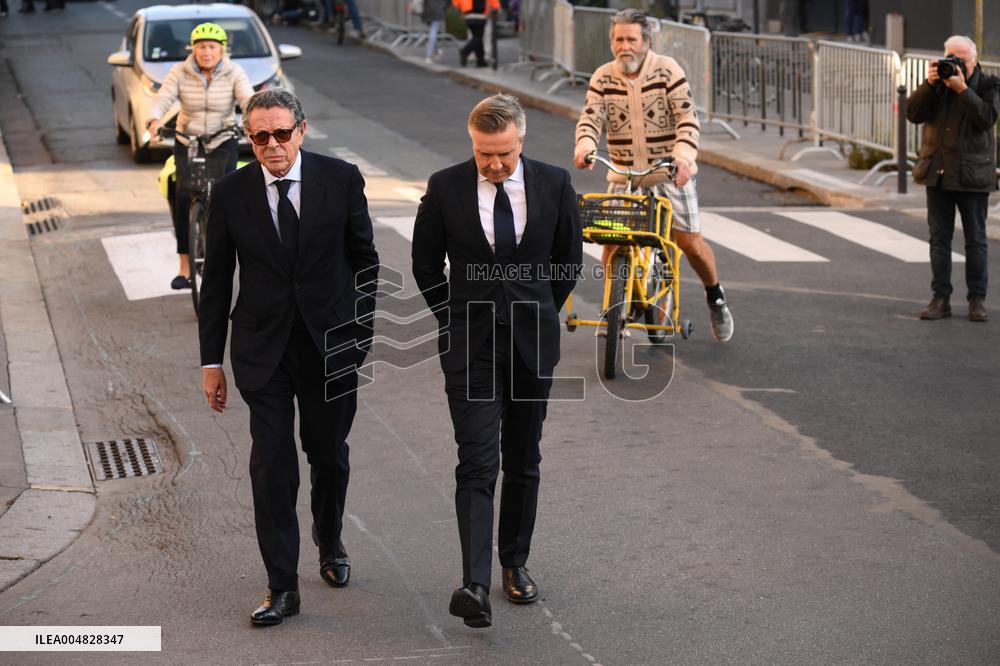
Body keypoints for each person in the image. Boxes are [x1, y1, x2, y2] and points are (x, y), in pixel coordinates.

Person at [198, 89, 379, 626]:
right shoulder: (230, 193)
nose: (272, 145)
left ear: (302, 129)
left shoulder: (341, 179)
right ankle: (281, 585)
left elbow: (365, 262)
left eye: (281, 133)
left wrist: (358, 335)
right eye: (260, 137)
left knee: (328, 454)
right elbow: (216, 282)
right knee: (272, 465)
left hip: (331, 344)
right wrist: (211, 362)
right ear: (249, 139)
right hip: (263, 349)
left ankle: (330, 539)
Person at [412, 94, 582, 628]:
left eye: (504, 153)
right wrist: (454, 318)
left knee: (524, 458)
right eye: (484, 153)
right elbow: (424, 265)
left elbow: (568, 261)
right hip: (472, 348)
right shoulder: (445, 187)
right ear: (472, 143)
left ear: (521, 141)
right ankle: (475, 585)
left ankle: (514, 563)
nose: (494, 164)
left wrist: (539, 311)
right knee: (478, 462)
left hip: (532, 344)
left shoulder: (554, 183)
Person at [574, 9, 734, 342]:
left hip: (669, 172)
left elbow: (688, 121)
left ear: (646, 41)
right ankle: (614, 309)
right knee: (612, 241)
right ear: (612, 42)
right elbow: (590, 118)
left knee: (690, 243)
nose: (625, 46)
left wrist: (683, 159)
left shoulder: (668, 70)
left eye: (632, 39)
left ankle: (715, 296)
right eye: (619, 39)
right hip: (624, 176)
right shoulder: (602, 77)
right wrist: (585, 146)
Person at [147, 23, 253, 291]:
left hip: (222, 138)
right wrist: (154, 120)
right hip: (188, 139)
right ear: (193, 49)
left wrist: (254, 120)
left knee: (228, 195)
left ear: (222, 49)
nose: (207, 52)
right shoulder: (180, 71)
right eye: (201, 47)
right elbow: (163, 98)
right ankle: (184, 268)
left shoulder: (234, 71)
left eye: (212, 47)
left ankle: (237, 252)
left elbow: (247, 99)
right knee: (183, 196)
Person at [907, 35, 997, 323]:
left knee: (976, 240)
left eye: (962, 59)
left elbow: (986, 118)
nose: (956, 64)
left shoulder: (988, 84)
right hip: (939, 173)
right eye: (951, 58)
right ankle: (940, 298)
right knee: (939, 240)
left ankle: (977, 300)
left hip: (972, 175)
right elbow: (912, 113)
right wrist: (929, 84)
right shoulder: (937, 85)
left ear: (974, 60)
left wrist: (962, 90)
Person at [453, 0, 499, 68]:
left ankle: (480, 60)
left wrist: (461, 11)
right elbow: (493, 2)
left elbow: (456, 2)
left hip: (467, 13)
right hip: (480, 13)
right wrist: (495, 8)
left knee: (477, 37)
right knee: (478, 37)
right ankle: (465, 51)